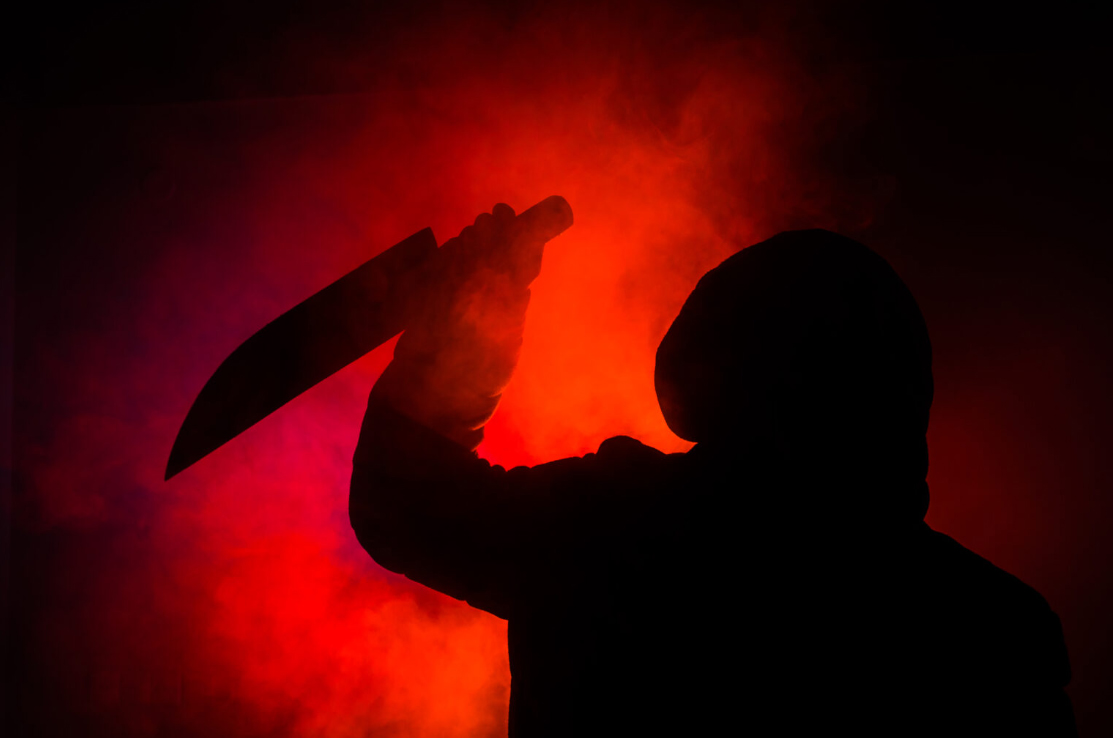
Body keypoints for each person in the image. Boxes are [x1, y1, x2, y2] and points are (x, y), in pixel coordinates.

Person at [349, 203, 1077, 736]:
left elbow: (403, 504)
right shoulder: (994, 630)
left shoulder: (608, 535)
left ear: (702, 371)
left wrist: (470, 317)